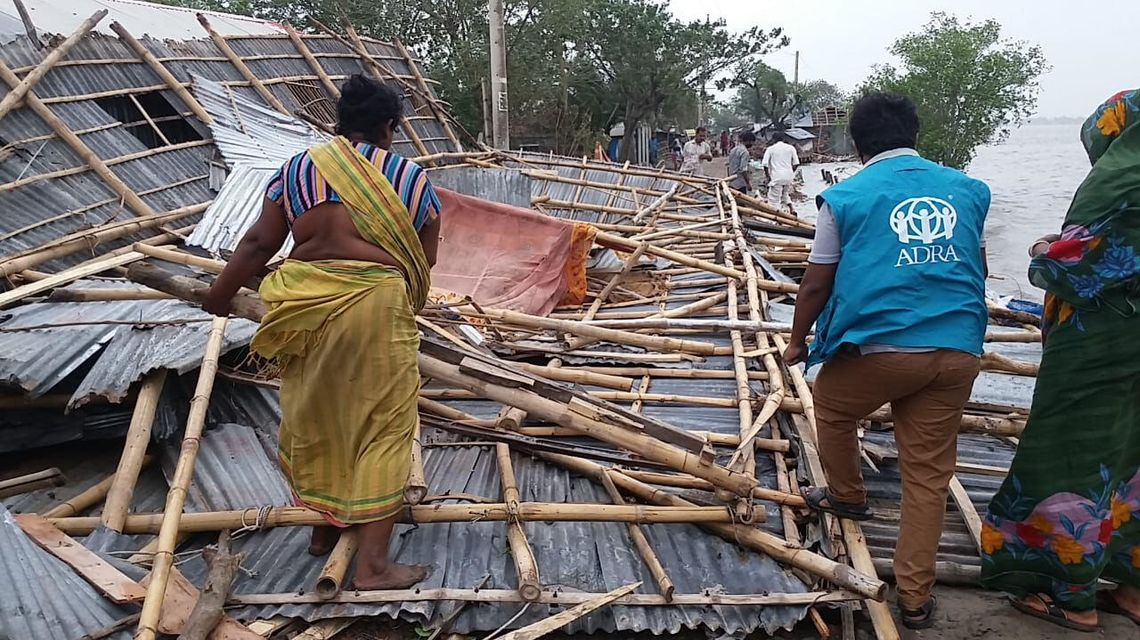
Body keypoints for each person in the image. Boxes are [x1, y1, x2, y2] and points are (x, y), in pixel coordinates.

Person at [202, 74, 442, 590]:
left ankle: (323, 530)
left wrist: (218, 297)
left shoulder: (296, 170)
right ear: (389, 127)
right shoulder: (411, 178)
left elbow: (256, 243)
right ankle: (374, 567)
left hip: (304, 304)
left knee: (315, 413)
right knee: (384, 425)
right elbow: (421, 265)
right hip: (378, 304)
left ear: (340, 121)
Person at [781, 93, 990, 630]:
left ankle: (848, 496)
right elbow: (976, 266)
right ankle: (915, 599)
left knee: (830, 405)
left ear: (856, 142)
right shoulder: (968, 190)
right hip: (957, 350)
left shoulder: (844, 197)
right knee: (927, 476)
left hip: (883, 351)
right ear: (915, 135)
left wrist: (798, 341)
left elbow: (816, 284)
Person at [980, 89, 1140, 633]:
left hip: (1099, 345)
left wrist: (1044, 254)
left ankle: (1073, 597)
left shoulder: (1118, 179)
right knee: (1132, 452)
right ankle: (1134, 589)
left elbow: (1080, 270)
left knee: (1069, 453)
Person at [762, 132, 800, 211]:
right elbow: (796, 163)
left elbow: (765, 164)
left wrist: (768, 176)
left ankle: (777, 218)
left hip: (777, 177)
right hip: (788, 177)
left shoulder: (770, 149)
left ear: (773, 139)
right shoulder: (791, 148)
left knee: (774, 200)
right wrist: (791, 172)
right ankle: (792, 209)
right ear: (783, 139)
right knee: (785, 194)